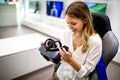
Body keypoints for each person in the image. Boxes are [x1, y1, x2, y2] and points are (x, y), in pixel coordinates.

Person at [56, 1, 102, 80]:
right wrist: (52, 49)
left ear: (85, 20)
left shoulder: (95, 42)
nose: (69, 27)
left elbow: (85, 73)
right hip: (60, 75)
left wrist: (70, 61)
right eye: (67, 23)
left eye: (73, 24)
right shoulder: (66, 32)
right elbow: (61, 58)